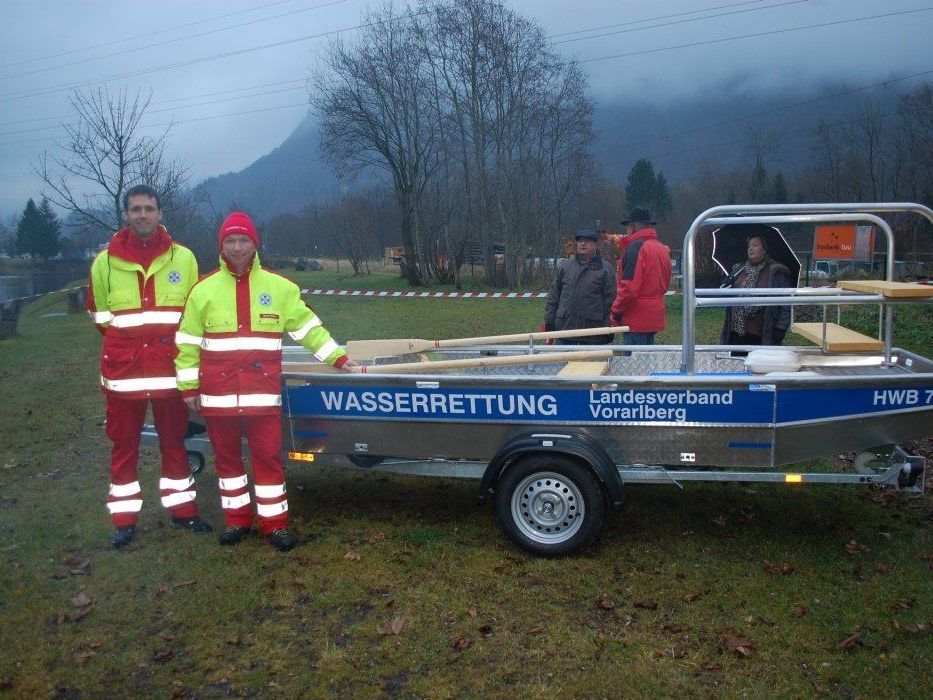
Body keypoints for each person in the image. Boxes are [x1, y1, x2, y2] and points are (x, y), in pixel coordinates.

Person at [175, 212, 360, 552]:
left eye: (243, 240)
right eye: (230, 241)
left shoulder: (280, 288)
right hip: (217, 397)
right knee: (228, 462)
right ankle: (237, 520)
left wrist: (339, 358)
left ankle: (274, 525)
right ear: (221, 246)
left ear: (254, 244)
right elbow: (186, 343)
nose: (237, 247)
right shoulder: (202, 290)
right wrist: (188, 387)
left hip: (263, 396)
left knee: (268, 460)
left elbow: (308, 330)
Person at [87, 184, 212, 548]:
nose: (143, 215)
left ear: (160, 214)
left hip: (170, 372)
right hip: (123, 375)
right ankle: (124, 521)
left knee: (174, 444)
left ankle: (183, 512)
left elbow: (191, 315)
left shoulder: (183, 258)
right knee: (123, 447)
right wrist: (132, 344)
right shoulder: (104, 261)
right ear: (125, 214)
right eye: (136, 209)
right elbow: (100, 316)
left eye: (149, 209)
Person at [608, 208, 673, 348]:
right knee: (647, 362)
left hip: (636, 318)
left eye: (627, 226)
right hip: (655, 317)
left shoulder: (635, 248)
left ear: (633, 226)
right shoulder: (661, 248)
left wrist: (615, 312)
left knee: (633, 365)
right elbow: (666, 284)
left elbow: (629, 288)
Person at [543, 230, 616, 344]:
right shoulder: (565, 267)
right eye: (580, 241)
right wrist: (549, 321)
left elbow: (610, 302)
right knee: (562, 362)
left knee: (591, 362)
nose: (583, 244)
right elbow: (553, 296)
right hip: (564, 331)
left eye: (587, 241)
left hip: (593, 334)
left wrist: (609, 328)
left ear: (595, 245)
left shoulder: (605, 269)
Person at [720, 234, 791, 345]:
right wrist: (726, 283)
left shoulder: (776, 272)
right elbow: (724, 297)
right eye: (749, 246)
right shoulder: (738, 269)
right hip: (735, 332)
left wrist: (780, 329)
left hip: (762, 335)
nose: (750, 248)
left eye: (755, 245)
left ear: (764, 250)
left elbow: (785, 304)